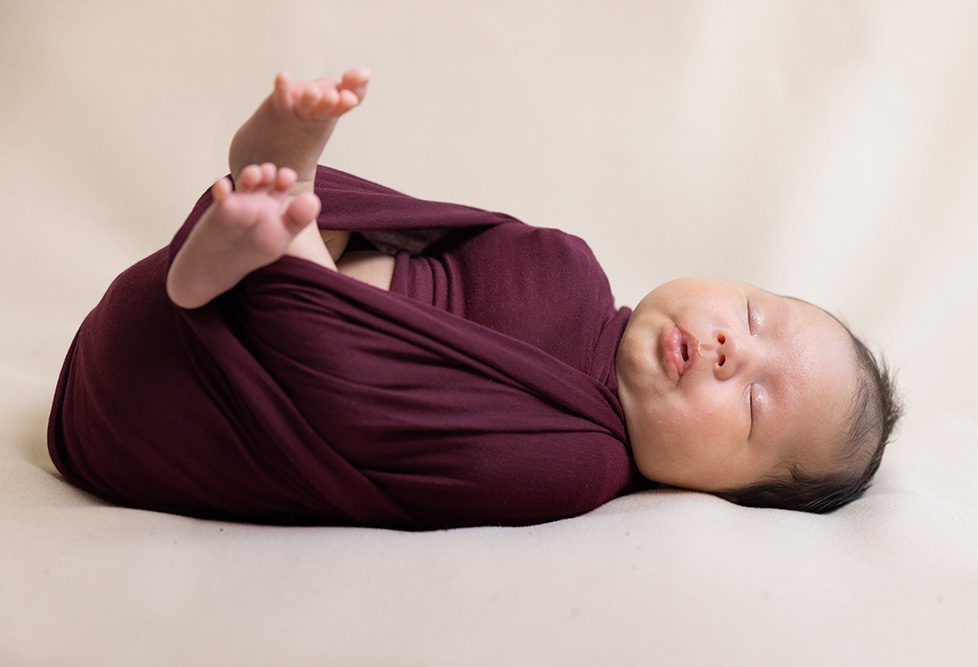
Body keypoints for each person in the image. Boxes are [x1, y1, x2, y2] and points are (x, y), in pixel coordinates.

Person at [49, 68, 902, 529]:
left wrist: (299, 294)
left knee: (324, 312)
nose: (731, 349)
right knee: (344, 230)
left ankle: (274, 252)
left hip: (182, 393)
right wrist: (336, 225)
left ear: (719, 494)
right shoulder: (576, 265)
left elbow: (364, 425)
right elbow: (415, 231)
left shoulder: (578, 460)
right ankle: (286, 218)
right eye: (754, 316)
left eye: (754, 403)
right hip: (162, 311)